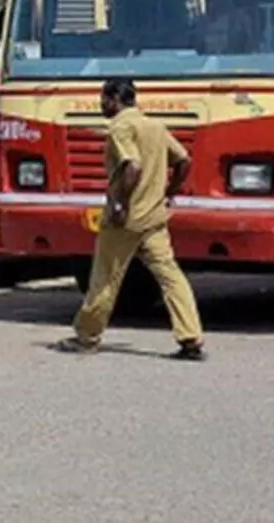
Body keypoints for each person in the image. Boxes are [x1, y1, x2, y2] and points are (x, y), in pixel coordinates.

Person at [55, 77, 206, 361]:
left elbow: (132, 166)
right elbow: (184, 160)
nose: (101, 104)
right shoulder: (155, 126)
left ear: (114, 98)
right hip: (154, 218)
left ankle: (87, 337)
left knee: (104, 279)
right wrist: (169, 191)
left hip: (125, 220)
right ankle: (190, 337)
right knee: (170, 276)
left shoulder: (120, 127)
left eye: (103, 98)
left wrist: (121, 204)